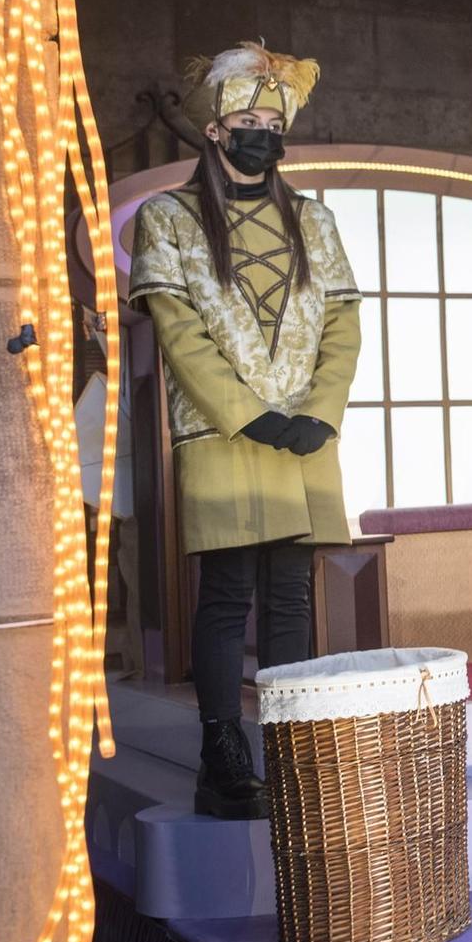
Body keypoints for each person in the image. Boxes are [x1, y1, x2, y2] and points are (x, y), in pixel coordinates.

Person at [127, 42, 361, 820]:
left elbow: (342, 323)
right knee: (227, 594)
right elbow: (179, 329)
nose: (262, 130)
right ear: (217, 131)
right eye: (247, 119)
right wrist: (249, 413)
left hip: (301, 435)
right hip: (223, 435)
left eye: (272, 119)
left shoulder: (317, 222)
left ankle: (290, 751)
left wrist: (318, 413)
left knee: (292, 595)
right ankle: (222, 756)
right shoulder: (168, 219)